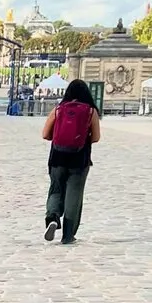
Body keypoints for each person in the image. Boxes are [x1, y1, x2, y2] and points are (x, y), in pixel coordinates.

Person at [41, 78, 101, 245]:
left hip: (57, 157)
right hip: (80, 159)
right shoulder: (90, 111)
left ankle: (53, 217)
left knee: (55, 190)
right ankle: (68, 235)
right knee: (74, 195)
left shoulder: (59, 109)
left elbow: (45, 134)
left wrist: (59, 138)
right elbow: (96, 137)